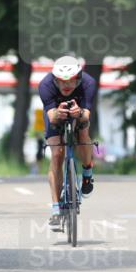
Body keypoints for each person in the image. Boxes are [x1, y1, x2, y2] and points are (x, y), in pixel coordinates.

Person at [38, 54, 98, 231]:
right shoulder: (45, 85)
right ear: (55, 79)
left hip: (79, 112)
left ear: (78, 77)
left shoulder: (89, 83)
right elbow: (51, 117)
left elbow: (86, 115)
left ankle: (87, 173)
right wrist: (58, 113)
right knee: (57, 153)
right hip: (55, 114)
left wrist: (78, 113)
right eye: (61, 81)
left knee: (83, 135)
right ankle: (56, 208)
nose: (66, 85)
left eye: (71, 80)